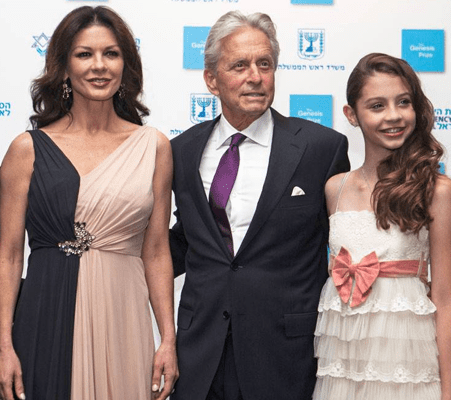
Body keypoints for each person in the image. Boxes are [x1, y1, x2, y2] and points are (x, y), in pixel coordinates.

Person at [0, 6, 178, 400]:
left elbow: (158, 251)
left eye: (111, 54)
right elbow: (8, 256)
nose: (99, 66)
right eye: (84, 54)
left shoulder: (154, 147)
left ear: (126, 66)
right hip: (46, 311)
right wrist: (4, 345)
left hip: (124, 316)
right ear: (63, 67)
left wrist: (167, 339)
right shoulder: (27, 149)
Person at [170, 10, 350, 400]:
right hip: (201, 350)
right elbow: (183, 242)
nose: (255, 76)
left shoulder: (322, 148)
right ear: (211, 80)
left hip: (285, 353)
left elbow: (344, 246)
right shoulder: (180, 151)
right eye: (240, 65)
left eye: (264, 64)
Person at [314, 53, 451, 400]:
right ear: (352, 115)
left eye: (403, 102)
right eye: (377, 105)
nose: (393, 116)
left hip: (410, 366)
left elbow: (446, 299)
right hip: (345, 368)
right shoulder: (336, 188)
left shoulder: (437, 190)